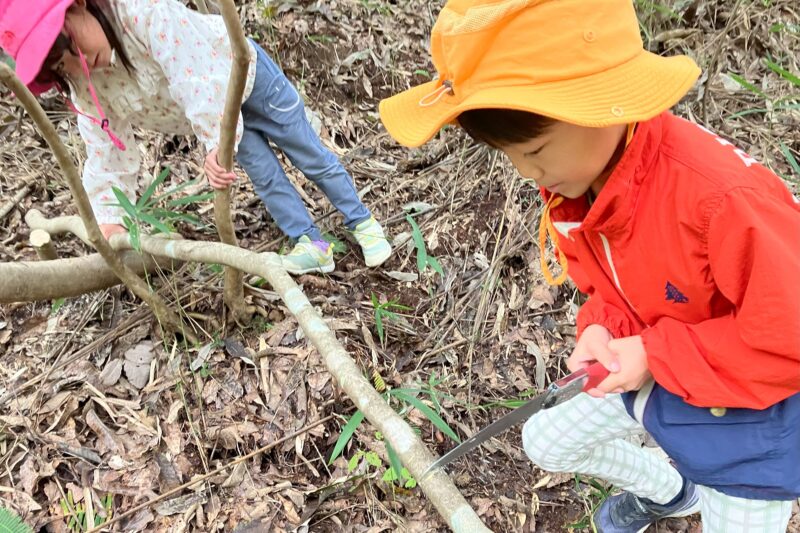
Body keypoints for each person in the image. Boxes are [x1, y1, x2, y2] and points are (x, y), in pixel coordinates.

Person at [378, 0, 800, 531]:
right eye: (508, 154)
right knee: (545, 440)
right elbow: (611, 287)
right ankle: (670, 494)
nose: (527, 170)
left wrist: (653, 352)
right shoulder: (582, 182)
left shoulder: (722, 199)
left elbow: (789, 336)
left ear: (607, 103)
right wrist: (603, 328)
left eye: (535, 148)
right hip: (660, 370)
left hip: (750, 427)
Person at [0, 0, 392, 274]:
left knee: (308, 154)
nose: (77, 65)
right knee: (265, 176)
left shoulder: (141, 12)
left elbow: (195, 74)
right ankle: (313, 245)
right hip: (219, 120)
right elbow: (104, 147)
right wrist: (110, 218)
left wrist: (212, 141)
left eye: (70, 48)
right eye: (59, 66)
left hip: (250, 82)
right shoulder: (86, 86)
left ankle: (362, 222)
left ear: (80, 5)